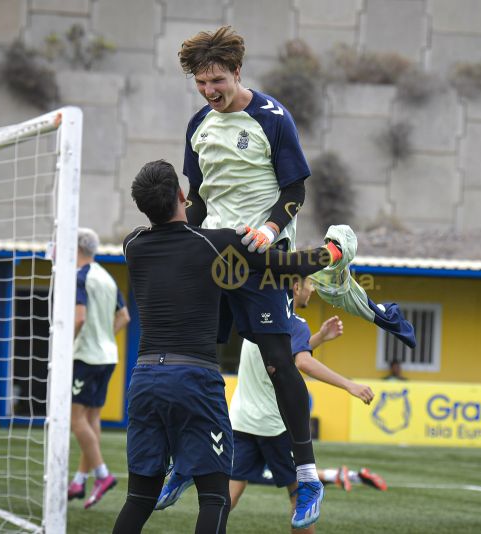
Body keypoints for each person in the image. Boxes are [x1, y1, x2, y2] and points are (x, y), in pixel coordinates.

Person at [112, 159, 344, 534]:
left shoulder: (133, 245)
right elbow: (286, 266)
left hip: (144, 379)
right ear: (182, 196)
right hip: (194, 379)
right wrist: (334, 252)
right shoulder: (217, 243)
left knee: (138, 497)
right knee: (215, 496)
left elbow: (181, 223)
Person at [178, 25, 325, 528]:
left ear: (237, 72)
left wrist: (270, 226)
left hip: (263, 259)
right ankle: (190, 461)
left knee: (281, 363)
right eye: (201, 83)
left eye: (216, 80)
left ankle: (307, 477)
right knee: (190, 362)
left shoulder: (272, 117)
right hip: (213, 256)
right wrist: (179, 240)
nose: (209, 91)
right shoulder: (199, 124)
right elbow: (196, 201)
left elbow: (295, 189)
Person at [156, 277, 380, 533]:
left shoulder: (256, 316)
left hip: (242, 421)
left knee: (225, 497)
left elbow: (282, 354)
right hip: (276, 428)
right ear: (296, 288)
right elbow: (302, 362)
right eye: (310, 284)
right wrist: (349, 385)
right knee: (301, 499)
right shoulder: (294, 324)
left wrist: (318, 338)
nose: (313, 290)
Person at [67, 228, 130, 509]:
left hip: (86, 356)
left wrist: (63, 347)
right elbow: (124, 316)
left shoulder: (80, 276)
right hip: (108, 355)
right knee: (91, 419)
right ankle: (80, 479)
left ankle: (102, 475)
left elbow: (79, 319)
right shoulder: (105, 276)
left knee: (75, 419)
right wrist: (104, 335)